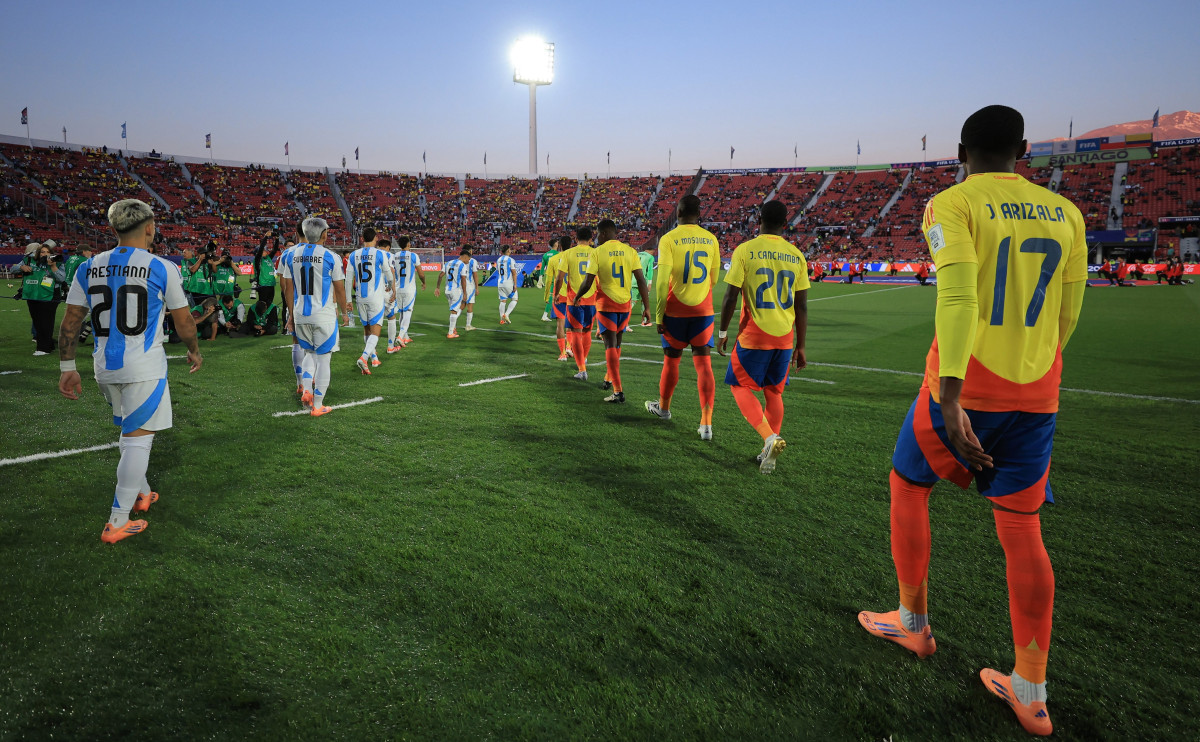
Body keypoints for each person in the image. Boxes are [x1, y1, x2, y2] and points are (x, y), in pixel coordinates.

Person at [856, 105, 1087, 738]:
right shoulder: (1066, 212)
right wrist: (1037, 371)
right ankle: (1031, 690)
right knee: (1022, 527)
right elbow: (1068, 313)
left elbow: (958, 297)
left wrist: (953, 397)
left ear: (961, 151)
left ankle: (912, 624)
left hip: (965, 386)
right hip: (1037, 391)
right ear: (1024, 150)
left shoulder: (952, 203)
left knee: (908, 485)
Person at [56, 198, 203, 543]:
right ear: (150, 228)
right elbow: (184, 321)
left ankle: (142, 492)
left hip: (104, 366)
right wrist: (194, 351)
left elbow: (71, 321)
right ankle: (117, 521)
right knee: (138, 440)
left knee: (131, 433)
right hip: (143, 366)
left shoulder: (88, 266)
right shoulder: (162, 267)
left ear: (113, 228)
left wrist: (67, 366)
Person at [716, 200, 809, 474]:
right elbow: (802, 306)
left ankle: (769, 438)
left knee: (738, 386)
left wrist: (722, 332)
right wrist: (801, 346)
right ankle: (767, 450)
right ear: (785, 223)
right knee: (774, 392)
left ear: (758, 220)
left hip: (754, 334)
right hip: (785, 337)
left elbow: (730, 296)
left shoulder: (745, 250)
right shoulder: (797, 255)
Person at [645, 195, 720, 438]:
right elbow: (714, 278)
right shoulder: (711, 239)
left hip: (675, 311)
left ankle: (664, 409)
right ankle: (706, 424)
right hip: (702, 311)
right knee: (704, 365)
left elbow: (661, 282)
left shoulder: (669, 239)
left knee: (671, 361)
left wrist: (659, 316)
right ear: (699, 214)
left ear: (678, 212)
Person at [573, 219, 650, 403]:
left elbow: (588, 281)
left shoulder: (598, 252)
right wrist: (646, 307)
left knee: (609, 345)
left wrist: (577, 296)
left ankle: (618, 391)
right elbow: (641, 280)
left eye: (598, 234)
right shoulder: (630, 251)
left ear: (604, 234)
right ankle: (608, 377)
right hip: (625, 304)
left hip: (606, 303)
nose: (596, 238)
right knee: (617, 344)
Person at [280, 217, 347, 416]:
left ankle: (306, 391)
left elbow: (288, 288)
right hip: (323, 315)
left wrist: (291, 315)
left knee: (309, 353)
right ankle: (318, 405)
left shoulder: (291, 255)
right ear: (324, 234)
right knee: (324, 359)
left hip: (300, 314)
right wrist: (345, 312)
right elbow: (340, 289)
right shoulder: (331, 256)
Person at [345, 226, 395, 374]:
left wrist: (348, 300)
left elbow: (348, 279)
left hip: (360, 298)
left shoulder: (353, 255)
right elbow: (389, 274)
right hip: (375, 298)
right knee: (375, 331)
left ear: (362, 239)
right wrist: (391, 288)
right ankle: (364, 357)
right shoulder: (380, 254)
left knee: (366, 329)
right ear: (376, 238)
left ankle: (374, 358)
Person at [557, 226, 598, 380]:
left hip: (574, 299)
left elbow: (560, 277)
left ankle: (582, 370)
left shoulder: (568, 253)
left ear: (575, 239)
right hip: (591, 298)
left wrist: (556, 294)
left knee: (575, 332)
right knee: (587, 332)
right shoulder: (596, 252)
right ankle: (584, 358)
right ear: (591, 239)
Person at [20, 242, 66, 356]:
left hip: (51, 294)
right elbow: (13, 269)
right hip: (33, 294)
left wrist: (53, 266)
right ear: (38, 253)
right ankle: (49, 344)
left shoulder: (57, 262)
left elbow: (61, 279)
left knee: (46, 321)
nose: (45, 254)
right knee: (37, 320)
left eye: (48, 252)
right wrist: (21, 267)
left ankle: (43, 348)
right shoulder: (30, 260)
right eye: (42, 252)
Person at [385, 235, 425, 351]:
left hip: (397, 288)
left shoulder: (394, 256)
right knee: (407, 312)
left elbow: (390, 271)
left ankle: (405, 336)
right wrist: (424, 282)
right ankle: (400, 336)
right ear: (408, 244)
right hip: (409, 289)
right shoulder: (413, 256)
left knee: (402, 311)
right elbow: (421, 273)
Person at [434, 247, 472, 338]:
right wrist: (465, 293)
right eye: (468, 259)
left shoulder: (448, 263)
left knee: (453, 310)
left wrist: (437, 288)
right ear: (465, 256)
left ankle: (453, 329)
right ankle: (451, 332)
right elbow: (463, 280)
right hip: (456, 290)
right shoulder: (462, 265)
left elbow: (440, 275)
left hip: (447, 290)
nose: (468, 261)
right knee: (454, 311)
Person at [546, 235, 573, 360]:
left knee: (560, 324)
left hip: (559, 295)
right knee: (571, 323)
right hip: (573, 295)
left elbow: (549, 280)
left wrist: (547, 295)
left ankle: (562, 353)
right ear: (571, 245)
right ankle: (569, 347)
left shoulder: (554, 259)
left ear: (560, 246)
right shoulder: (575, 258)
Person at [252, 231, 280, 306]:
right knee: (263, 305)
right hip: (263, 285)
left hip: (271, 284)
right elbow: (261, 248)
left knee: (269, 304)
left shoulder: (268, 258)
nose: (265, 252)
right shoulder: (258, 260)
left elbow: (275, 250)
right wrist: (266, 237)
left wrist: (277, 239)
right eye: (264, 251)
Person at [496, 245, 522, 324]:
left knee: (503, 301)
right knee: (515, 299)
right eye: (510, 249)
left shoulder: (498, 260)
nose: (510, 251)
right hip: (508, 283)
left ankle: (502, 320)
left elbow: (498, 271)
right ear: (508, 250)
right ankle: (506, 314)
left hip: (500, 283)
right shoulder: (511, 260)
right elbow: (514, 273)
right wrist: (515, 285)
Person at [539, 238, 560, 322]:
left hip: (549, 277)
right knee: (555, 297)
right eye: (557, 242)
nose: (558, 243)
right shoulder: (558, 254)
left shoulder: (545, 255)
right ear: (555, 244)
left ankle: (555, 313)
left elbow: (542, 268)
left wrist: (540, 278)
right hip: (557, 278)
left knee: (551, 296)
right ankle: (545, 315)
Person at [636, 246, 656, 325]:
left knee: (632, 300)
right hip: (643, 281)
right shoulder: (650, 257)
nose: (653, 254)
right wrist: (650, 283)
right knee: (644, 299)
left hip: (633, 279)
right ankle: (644, 321)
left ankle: (624, 323)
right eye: (653, 252)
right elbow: (650, 270)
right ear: (651, 251)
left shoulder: (637, 254)